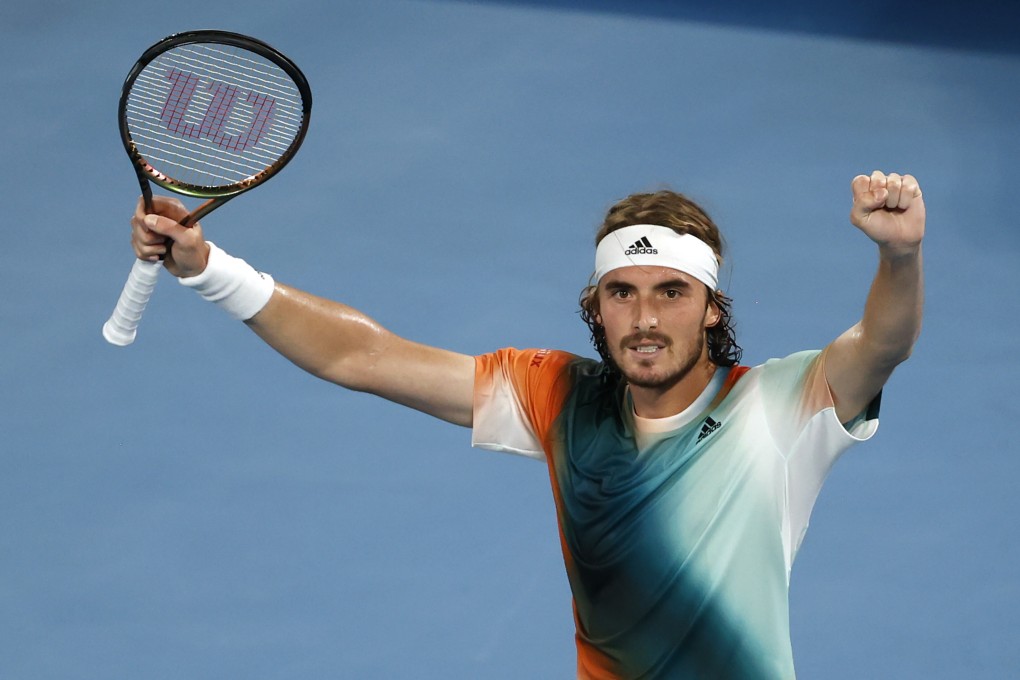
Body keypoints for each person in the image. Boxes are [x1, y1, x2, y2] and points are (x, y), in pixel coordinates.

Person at [130, 170, 924, 679]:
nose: (646, 319)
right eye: (622, 293)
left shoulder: (782, 406)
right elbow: (362, 357)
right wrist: (209, 269)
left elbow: (882, 344)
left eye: (671, 292)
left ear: (712, 309)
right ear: (597, 308)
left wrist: (898, 258)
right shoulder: (560, 397)